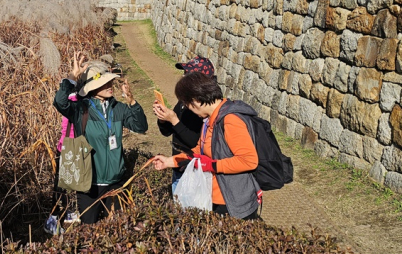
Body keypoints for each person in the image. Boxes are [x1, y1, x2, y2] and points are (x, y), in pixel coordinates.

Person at [53, 51, 148, 224]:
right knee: (90, 231)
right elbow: (60, 102)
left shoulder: (118, 108)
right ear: (92, 88)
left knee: (120, 230)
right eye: (103, 83)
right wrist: (72, 77)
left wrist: (133, 102)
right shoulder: (81, 109)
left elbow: (141, 127)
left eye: (109, 81)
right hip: (90, 184)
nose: (109, 85)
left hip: (116, 182)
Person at [152, 71, 261, 220]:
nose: (187, 109)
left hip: (233, 204)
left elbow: (249, 160)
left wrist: (212, 166)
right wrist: (170, 161)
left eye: (186, 104)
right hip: (214, 198)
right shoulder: (210, 120)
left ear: (195, 101)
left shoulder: (230, 120)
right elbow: (199, 151)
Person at [153, 56, 216, 194]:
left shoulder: (206, 108)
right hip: (179, 165)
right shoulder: (184, 101)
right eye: (185, 74)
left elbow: (195, 142)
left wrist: (174, 120)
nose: (184, 78)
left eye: (189, 75)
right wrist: (163, 119)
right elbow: (168, 132)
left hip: (195, 171)